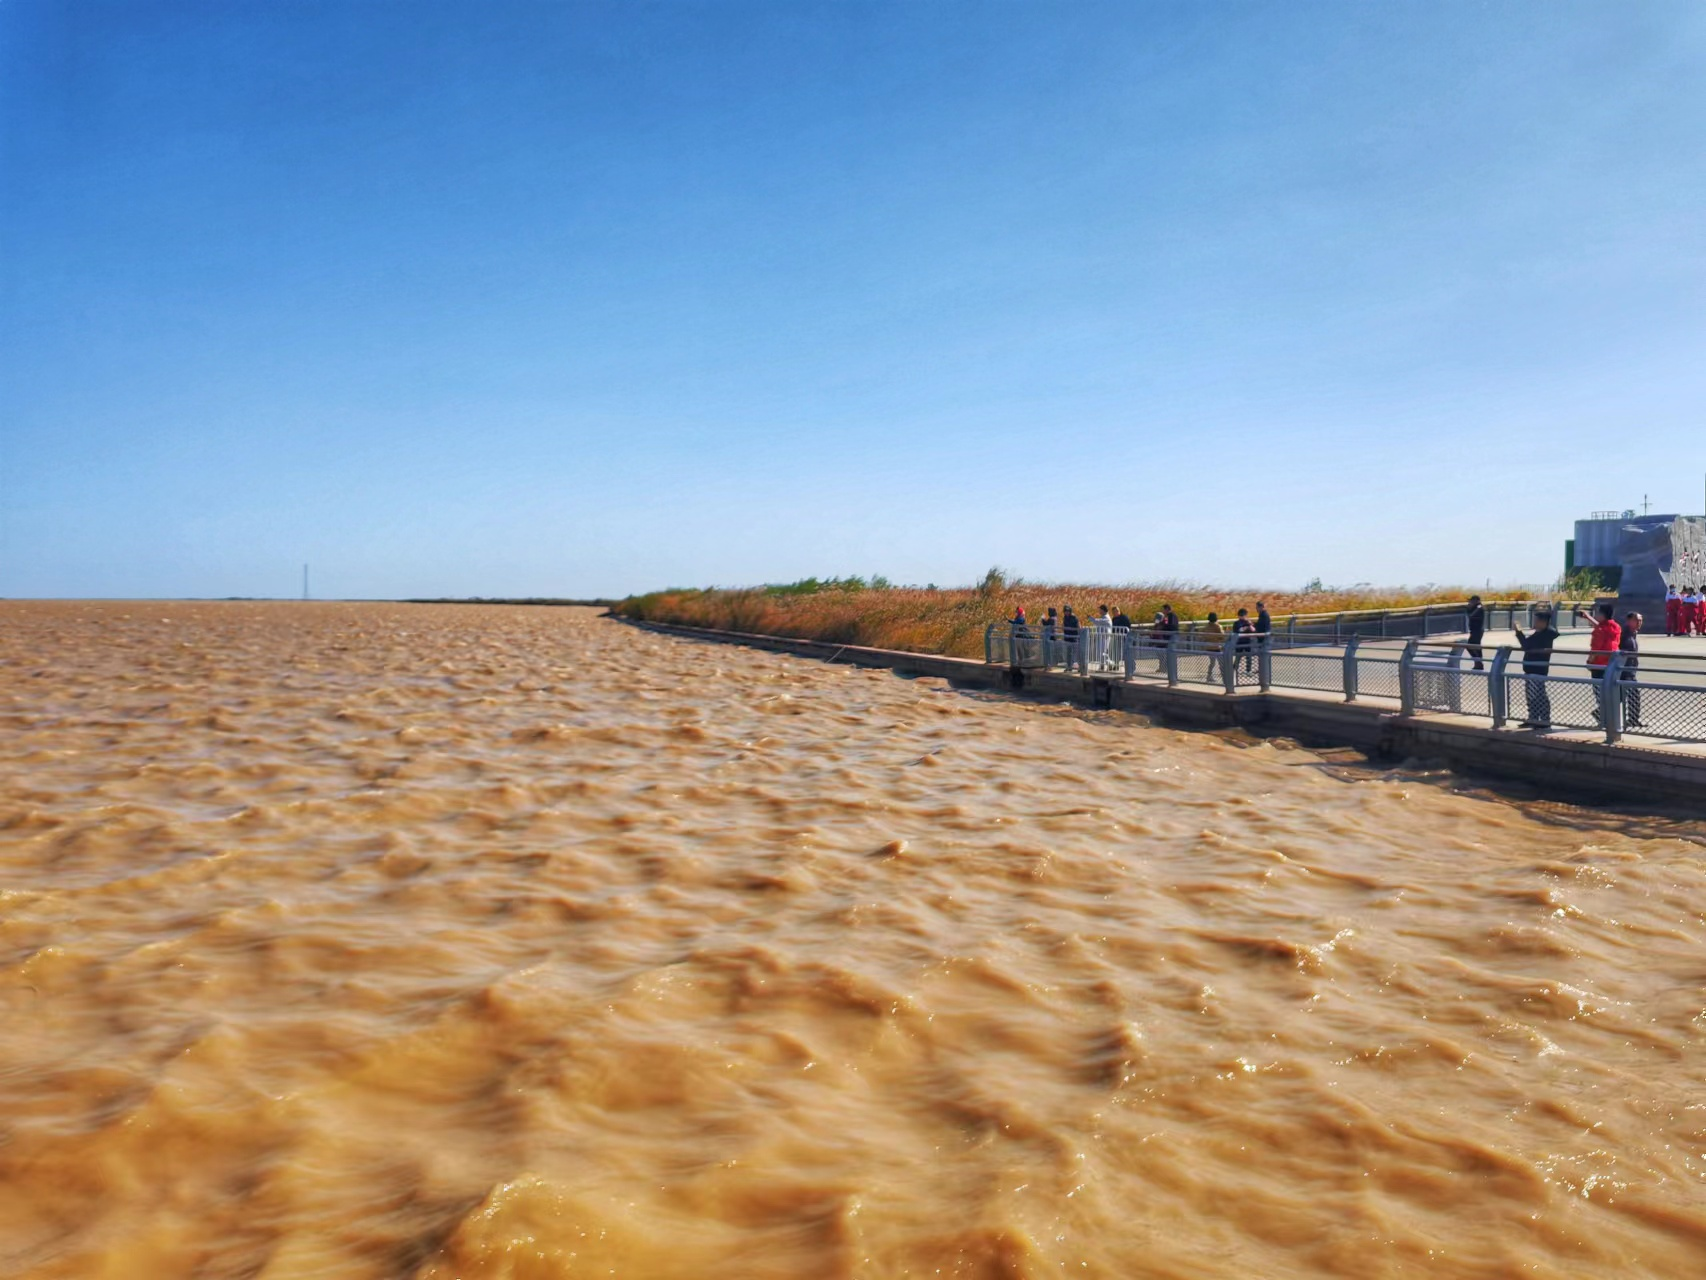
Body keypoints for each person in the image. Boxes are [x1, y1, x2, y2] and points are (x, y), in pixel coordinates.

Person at [1575, 602, 1621, 724]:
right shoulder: (1616, 627)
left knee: (1600, 694)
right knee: (1610, 692)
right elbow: (1603, 628)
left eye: (1598, 613)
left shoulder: (1598, 631)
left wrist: (1589, 662)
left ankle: (1603, 719)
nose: (1596, 615)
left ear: (1603, 615)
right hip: (1612, 665)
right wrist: (1588, 617)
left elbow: (1595, 649)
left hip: (1598, 666)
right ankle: (1610, 719)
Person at [1514, 608, 1559, 728]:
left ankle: (1544, 720)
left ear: (1543, 622)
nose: (1534, 623)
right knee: (1531, 695)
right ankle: (1533, 718)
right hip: (1531, 669)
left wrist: (1519, 632)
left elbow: (1526, 646)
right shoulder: (1539, 633)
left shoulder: (1546, 634)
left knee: (1539, 695)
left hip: (1538, 669)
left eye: (1536, 620)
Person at [1620, 610, 1644, 730]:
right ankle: (1601, 713)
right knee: (1631, 694)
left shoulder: (1633, 633)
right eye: (1637, 620)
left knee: (1628, 695)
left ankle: (1633, 719)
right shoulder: (1624, 633)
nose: (1640, 622)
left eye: (1641, 620)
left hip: (1630, 669)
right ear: (1629, 621)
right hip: (1624, 670)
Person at [1200, 611, 1225, 682]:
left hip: (1208, 647)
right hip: (1217, 647)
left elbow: (1203, 636)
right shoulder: (1218, 626)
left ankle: (1209, 676)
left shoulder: (1206, 627)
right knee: (1221, 663)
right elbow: (1222, 636)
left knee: (1212, 663)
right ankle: (1224, 677)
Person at [1232, 607, 1256, 676]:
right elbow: (1240, 630)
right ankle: (1234, 670)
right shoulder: (1236, 623)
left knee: (1249, 657)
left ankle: (1248, 670)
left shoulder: (1248, 622)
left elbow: (1253, 630)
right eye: (1242, 615)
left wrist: (1249, 624)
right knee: (1238, 657)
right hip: (1239, 643)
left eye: (1245, 615)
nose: (1244, 617)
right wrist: (1246, 627)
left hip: (1247, 642)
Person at [1465, 594, 1486, 671]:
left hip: (1477, 630)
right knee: (1477, 647)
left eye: (1472, 600)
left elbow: (1471, 615)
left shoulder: (1479, 607)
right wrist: (1469, 607)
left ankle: (1478, 663)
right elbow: (1468, 613)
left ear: (1476, 601)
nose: (1470, 602)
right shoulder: (1475, 607)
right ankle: (1478, 664)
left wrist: (1470, 607)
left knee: (1470, 646)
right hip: (1474, 630)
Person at [1091, 604, 1113, 670]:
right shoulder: (1103, 617)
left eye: (1100, 610)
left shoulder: (1106, 618)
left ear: (1103, 610)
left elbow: (1096, 622)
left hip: (1105, 637)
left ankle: (1110, 664)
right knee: (1101, 652)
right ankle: (1103, 665)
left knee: (1102, 652)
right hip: (1102, 637)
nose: (1099, 611)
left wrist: (1090, 618)